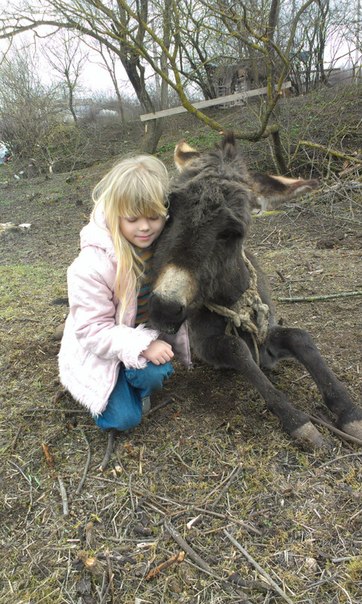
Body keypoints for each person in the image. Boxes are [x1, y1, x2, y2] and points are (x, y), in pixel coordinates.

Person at [58, 155, 190, 432]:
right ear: (115, 214)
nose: (144, 227)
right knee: (123, 421)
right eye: (132, 219)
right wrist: (142, 346)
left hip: (138, 337)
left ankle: (136, 381)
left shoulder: (161, 247)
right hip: (99, 348)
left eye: (153, 217)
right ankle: (103, 385)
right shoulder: (91, 266)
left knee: (156, 372)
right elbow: (93, 330)